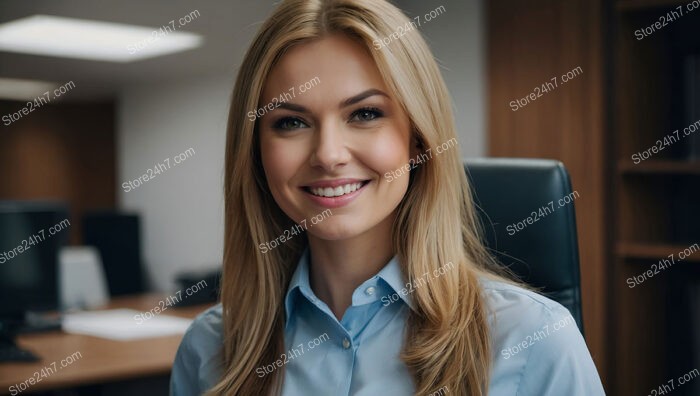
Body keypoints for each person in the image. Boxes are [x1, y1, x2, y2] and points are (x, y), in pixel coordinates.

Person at [170, 0, 606, 395]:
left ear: (418, 140)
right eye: (290, 122)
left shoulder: (533, 338)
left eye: (365, 114)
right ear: (256, 151)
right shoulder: (210, 348)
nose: (328, 155)